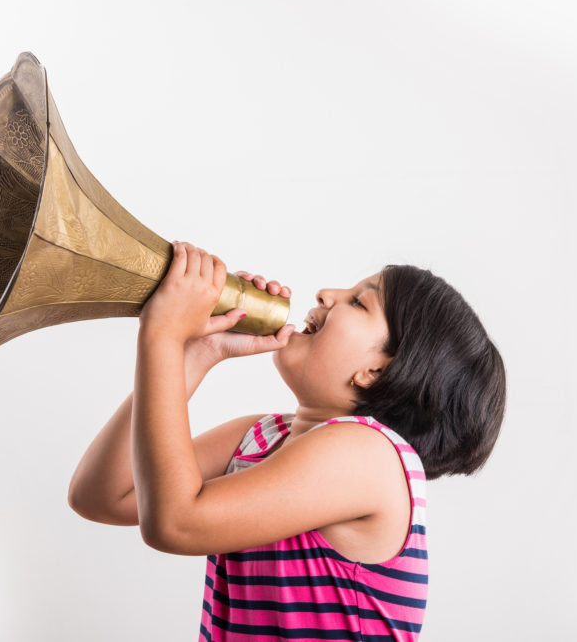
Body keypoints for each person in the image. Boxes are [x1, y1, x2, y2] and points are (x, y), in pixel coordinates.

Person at [69, 241, 506, 641]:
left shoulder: (373, 455)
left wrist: (162, 337)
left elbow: (174, 523)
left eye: (358, 301)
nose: (326, 294)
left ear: (376, 371)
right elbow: (101, 496)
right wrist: (196, 354)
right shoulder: (260, 435)